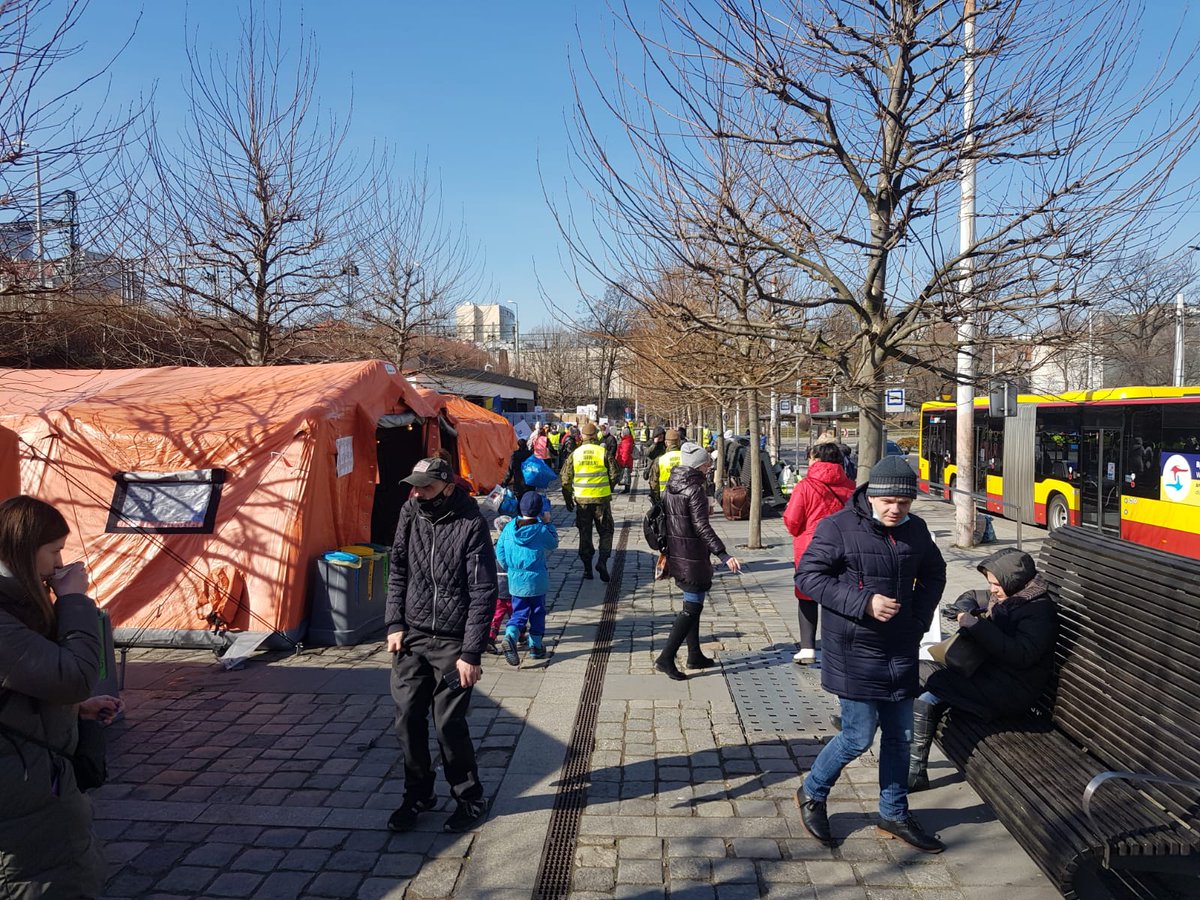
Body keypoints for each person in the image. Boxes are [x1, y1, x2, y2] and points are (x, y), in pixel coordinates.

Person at [794, 455, 947, 853]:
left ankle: (893, 813)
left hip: (900, 647)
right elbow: (809, 577)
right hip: (854, 650)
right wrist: (863, 602)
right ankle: (812, 792)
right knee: (857, 737)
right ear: (872, 497)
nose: (896, 510)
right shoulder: (838, 527)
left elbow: (935, 573)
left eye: (905, 502)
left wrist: (917, 616)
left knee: (900, 736)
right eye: (889, 502)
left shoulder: (917, 530)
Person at [0, 495, 121, 897]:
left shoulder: (17, 605)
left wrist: (74, 709)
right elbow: (75, 676)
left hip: (35, 786)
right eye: (53, 551)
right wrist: (72, 600)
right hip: (22, 806)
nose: (58, 564)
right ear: (22, 549)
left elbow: (28, 683)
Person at [385, 457, 497, 834]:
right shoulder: (409, 512)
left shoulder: (470, 523)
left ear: (448, 487)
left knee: (448, 724)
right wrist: (394, 623)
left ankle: (469, 797)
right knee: (406, 718)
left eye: (426, 487)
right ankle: (418, 793)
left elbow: (484, 591)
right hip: (412, 637)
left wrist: (471, 653)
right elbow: (397, 567)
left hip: (453, 640)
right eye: (414, 486)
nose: (417, 493)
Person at [908, 548, 1056, 792]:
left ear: (1014, 580)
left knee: (933, 685)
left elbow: (1022, 654)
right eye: (991, 584)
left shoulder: (1039, 612)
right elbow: (971, 596)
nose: (993, 590)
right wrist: (962, 610)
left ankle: (913, 771)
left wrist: (977, 627)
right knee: (917, 672)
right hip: (991, 677)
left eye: (997, 584)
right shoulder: (1008, 598)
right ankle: (900, 753)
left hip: (1012, 692)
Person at [655, 443, 742, 680]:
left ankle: (694, 655)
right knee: (691, 609)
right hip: (692, 555)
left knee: (693, 605)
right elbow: (701, 527)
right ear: (699, 466)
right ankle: (665, 658)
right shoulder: (694, 490)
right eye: (707, 464)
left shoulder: (672, 485)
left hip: (678, 552)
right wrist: (723, 554)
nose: (710, 467)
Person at [783, 442, 856, 665]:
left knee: (807, 597)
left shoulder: (805, 486)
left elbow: (792, 521)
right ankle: (837, 648)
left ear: (816, 459)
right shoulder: (851, 486)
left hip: (810, 549)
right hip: (843, 549)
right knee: (837, 597)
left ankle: (808, 649)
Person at [495, 491, 559, 666]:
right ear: (539, 510)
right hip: (537, 580)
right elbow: (553, 543)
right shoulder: (539, 529)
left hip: (515, 579)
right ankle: (536, 646)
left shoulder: (509, 528)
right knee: (537, 612)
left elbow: (499, 551)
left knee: (519, 612)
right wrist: (548, 523)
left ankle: (510, 636)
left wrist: (510, 568)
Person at [560, 421, 619, 581]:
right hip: (601, 500)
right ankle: (602, 561)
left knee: (584, 534)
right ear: (595, 436)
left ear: (582, 437)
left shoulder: (575, 454)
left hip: (582, 501)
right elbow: (615, 474)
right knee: (606, 531)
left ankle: (587, 570)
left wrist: (568, 498)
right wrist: (608, 488)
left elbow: (565, 479)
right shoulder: (603, 452)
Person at [649, 429, 683, 504]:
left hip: (665, 496)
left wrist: (656, 499)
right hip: (682, 496)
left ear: (666, 443)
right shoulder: (686, 457)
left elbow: (654, 483)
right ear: (678, 442)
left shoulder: (660, 460)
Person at [615, 427, 636, 494]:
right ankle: (626, 489)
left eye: (621, 433)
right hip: (626, 461)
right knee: (626, 475)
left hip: (625, 462)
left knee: (626, 475)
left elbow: (625, 453)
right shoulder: (627, 440)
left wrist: (623, 463)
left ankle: (627, 489)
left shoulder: (626, 442)